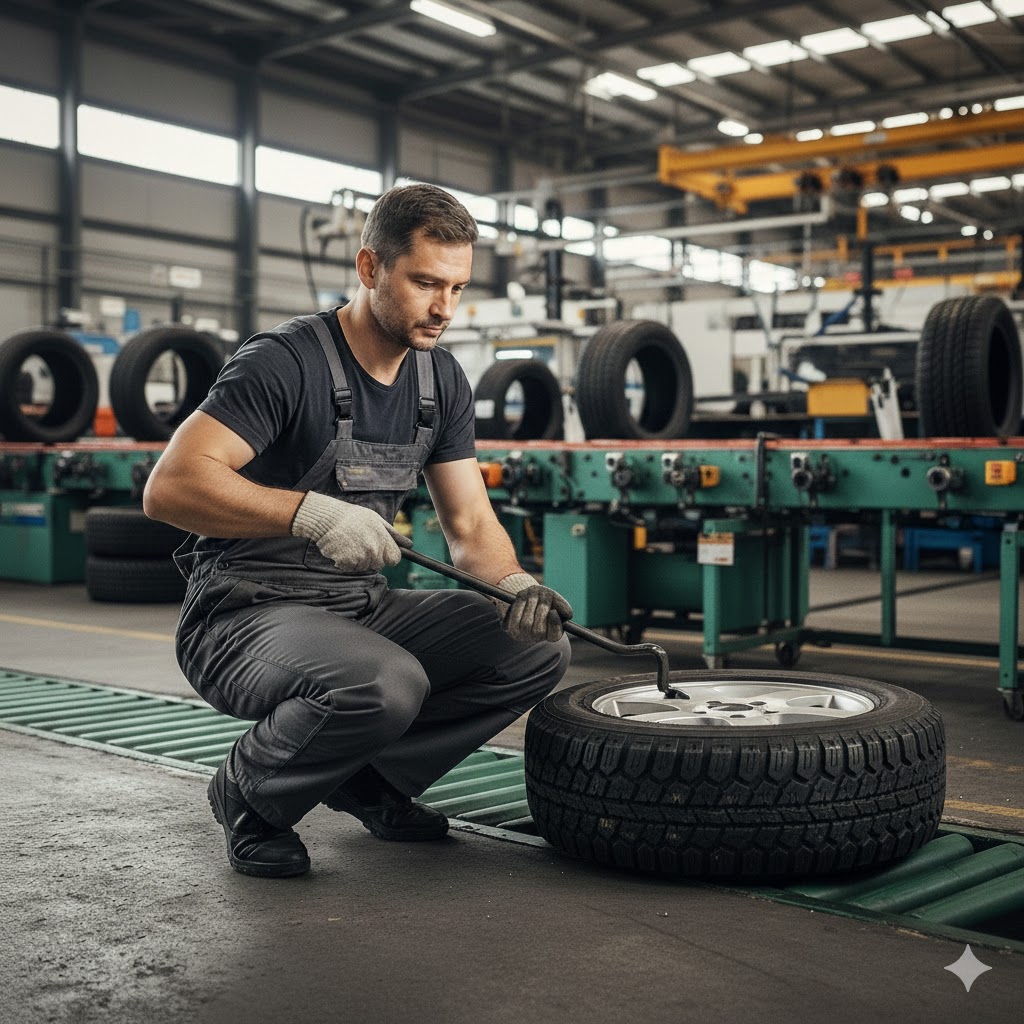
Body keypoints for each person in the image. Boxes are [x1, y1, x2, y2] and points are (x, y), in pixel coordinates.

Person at [143, 183, 573, 878]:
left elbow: (469, 522)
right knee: (384, 682)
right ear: (370, 267)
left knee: (534, 650)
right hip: (244, 611)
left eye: (457, 288)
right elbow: (171, 486)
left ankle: (370, 778)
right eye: (425, 283)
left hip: (355, 607)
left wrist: (514, 583)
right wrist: (307, 513)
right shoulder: (285, 361)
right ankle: (250, 793)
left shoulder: (440, 382)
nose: (444, 308)